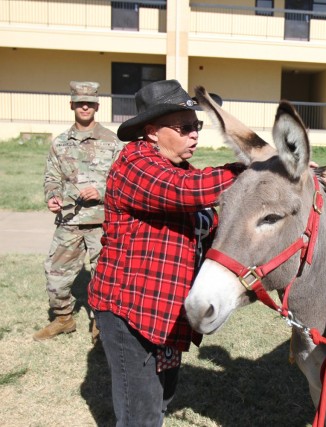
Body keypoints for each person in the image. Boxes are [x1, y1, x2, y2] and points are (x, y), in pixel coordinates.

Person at [87, 79, 245, 426]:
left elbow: (204, 219)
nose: (194, 136)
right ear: (152, 132)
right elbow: (185, 191)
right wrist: (254, 166)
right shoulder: (135, 163)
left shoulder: (178, 168)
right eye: (185, 128)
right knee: (139, 415)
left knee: (161, 400)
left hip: (168, 312)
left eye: (196, 127)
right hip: (131, 313)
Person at [35, 81, 123, 342]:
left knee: (104, 277)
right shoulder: (60, 143)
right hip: (70, 220)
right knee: (55, 274)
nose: (85, 106)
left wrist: (101, 192)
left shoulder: (113, 142)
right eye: (79, 102)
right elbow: (52, 177)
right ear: (72, 104)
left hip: (103, 222)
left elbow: (125, 182)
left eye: (90, 102)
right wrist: (52, 196)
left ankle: (100, 324)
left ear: (97, 105)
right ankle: (64, 318)